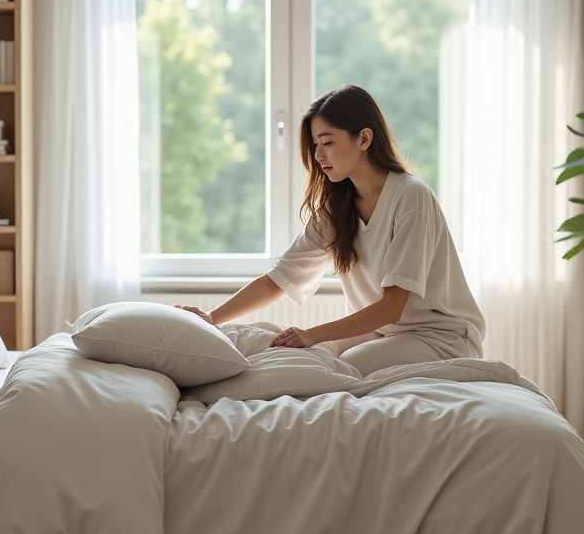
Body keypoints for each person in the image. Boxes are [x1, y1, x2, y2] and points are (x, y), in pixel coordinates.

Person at [177, 84, 485, 376]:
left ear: (364, 139)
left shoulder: (411, 197)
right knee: (307, 357)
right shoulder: (337, 207)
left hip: (439, 337)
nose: (318, 155)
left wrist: (310, 333)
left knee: (344, 364)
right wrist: (211, 319)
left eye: (327, 142)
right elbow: (278, 280)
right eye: (314, 145)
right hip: (382, 331)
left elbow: (392, 306)